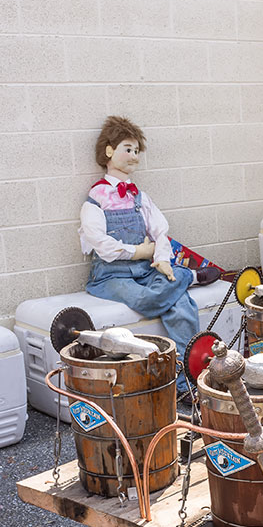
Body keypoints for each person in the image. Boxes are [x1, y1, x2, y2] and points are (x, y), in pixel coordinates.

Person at [79, 115, 217, 397]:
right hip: (110, 275)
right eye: (127, 149)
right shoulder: (96, 198)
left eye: (136, 151)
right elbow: (100, 243)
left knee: (182, 306)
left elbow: (160, 232)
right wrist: (138, 251)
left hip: (146, 270)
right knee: (147, 299)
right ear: (109, 151)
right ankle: (188, 276)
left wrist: (162, 258)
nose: (134, 156)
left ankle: (186, 385)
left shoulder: (139, 196)